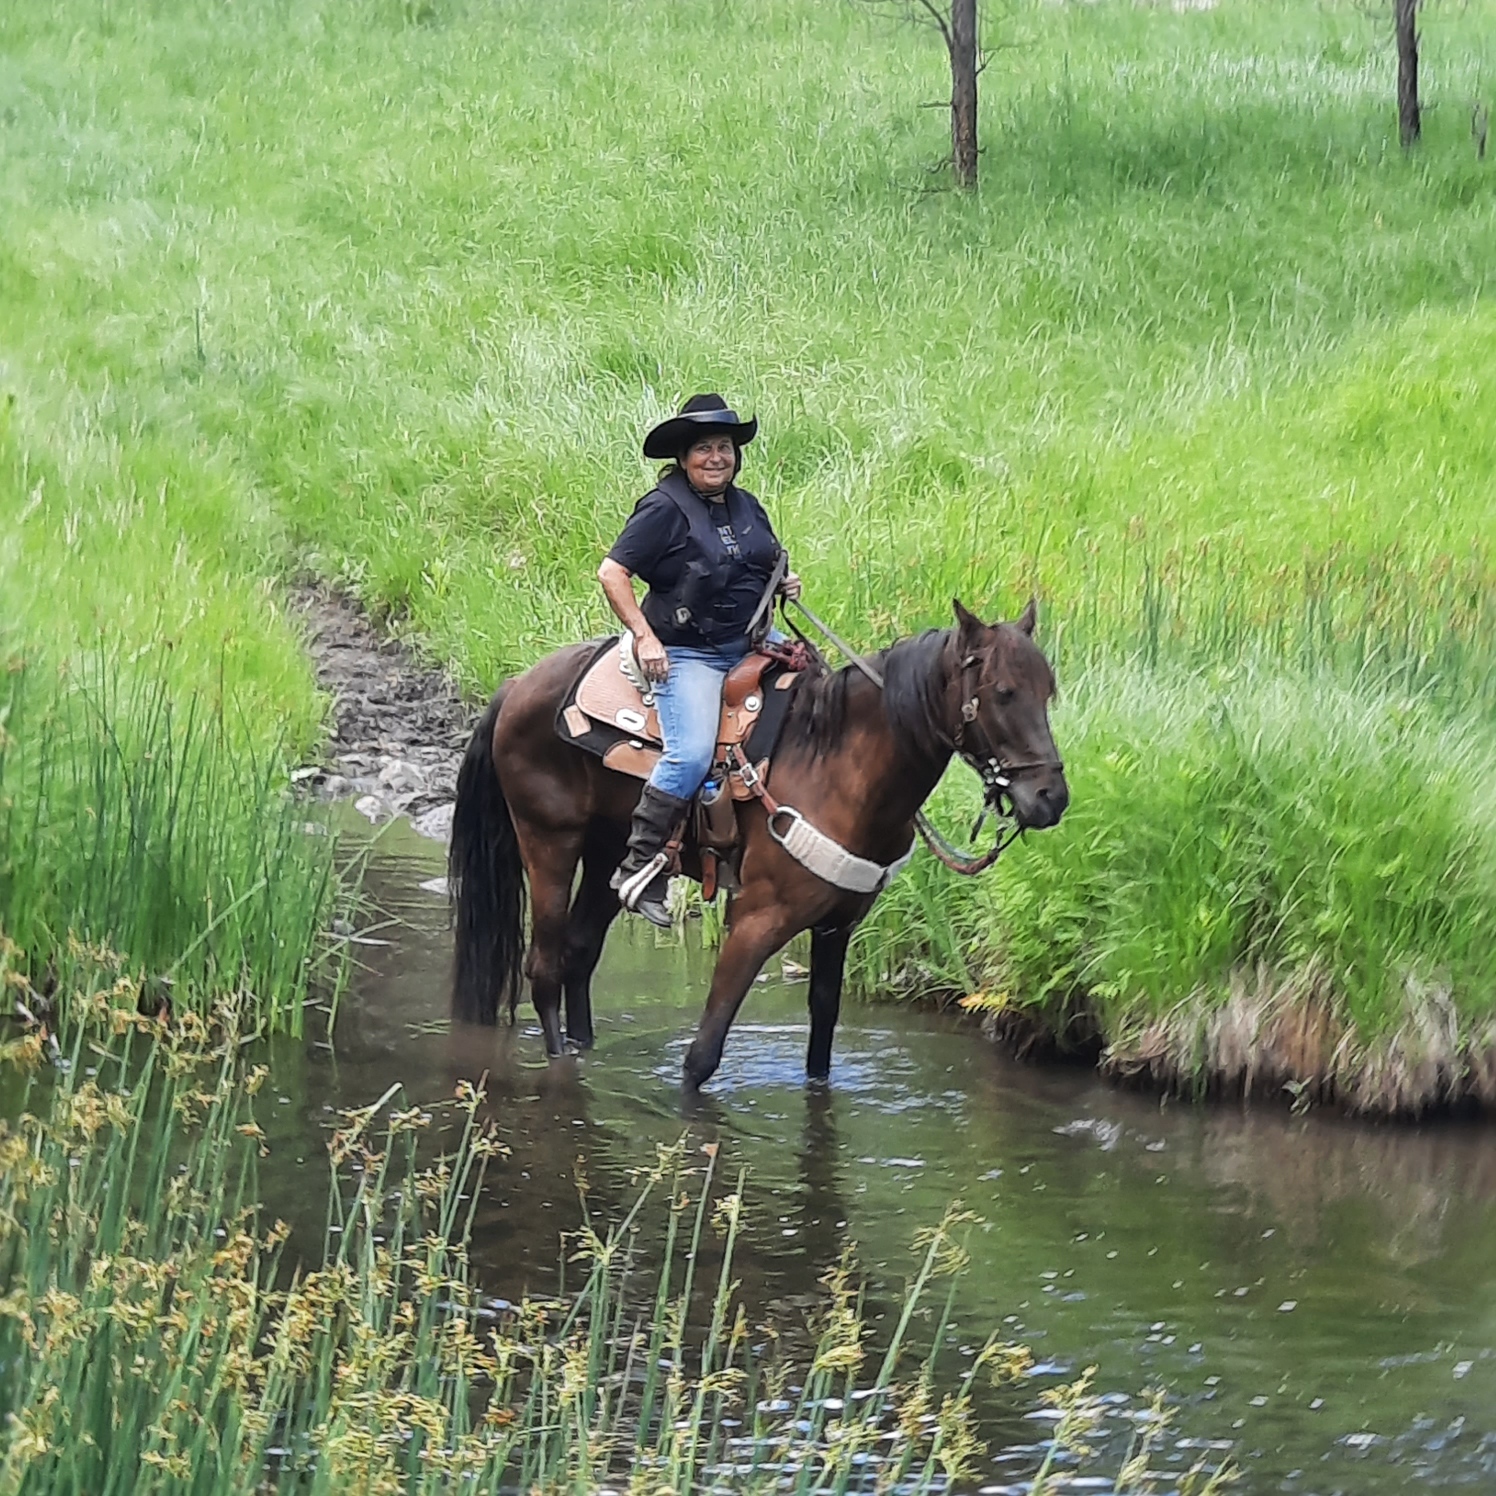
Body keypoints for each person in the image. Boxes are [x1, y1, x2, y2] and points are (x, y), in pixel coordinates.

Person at [598, 394, 801, 927]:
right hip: (691, 654)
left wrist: (784, 583)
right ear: (684, 458)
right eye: (705, 449)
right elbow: (612, 573)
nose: (717, 457)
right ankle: (640, 868)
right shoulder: (662, 509)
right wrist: (645, 638)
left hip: (755, 640)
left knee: (823, 693)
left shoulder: (747, 504)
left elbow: (759, 560)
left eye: (725, 448)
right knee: (689, 755)